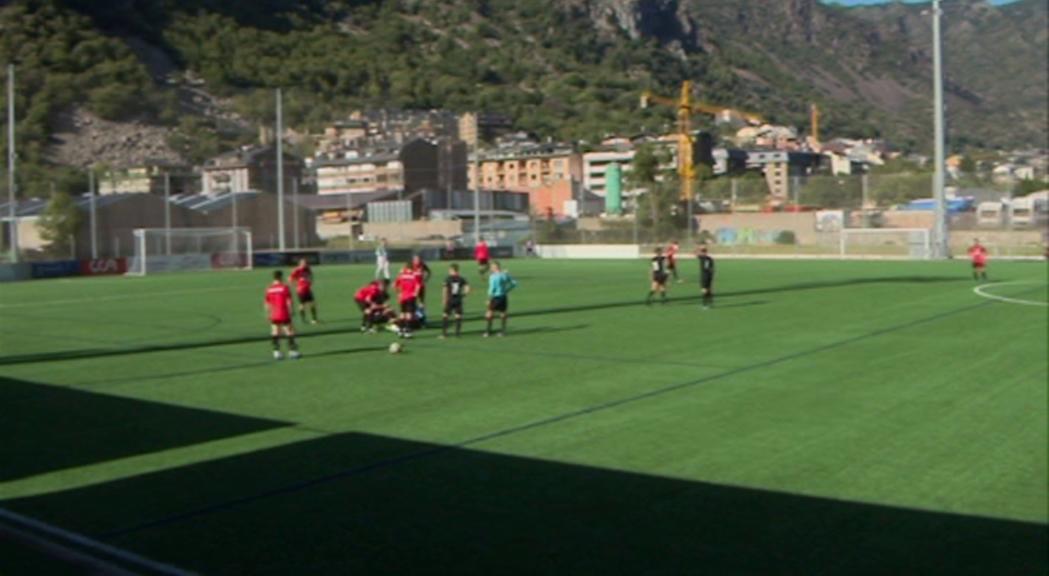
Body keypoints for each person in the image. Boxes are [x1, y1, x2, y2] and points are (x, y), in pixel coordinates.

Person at [264, 270, 300, 360]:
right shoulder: (284, 287)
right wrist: (291, 311)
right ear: (281, 277)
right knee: (289, 331)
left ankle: (276, 352)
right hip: (283, 313)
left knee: (275, 332)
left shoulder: (269, 288)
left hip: (274, 314)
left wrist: (268, 313)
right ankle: (292, 352)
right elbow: (288, 301)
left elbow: (267, 303)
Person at [484, 261, 517, 337]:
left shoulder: (493, 276)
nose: (491, 268)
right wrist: (506, 290)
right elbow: (514, 283)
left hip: (495, 297)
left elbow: (492, 289)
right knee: (503, 314)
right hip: (504, 297)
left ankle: (488, 332)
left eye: (492, 267)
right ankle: (503, 331)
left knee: (489, 314)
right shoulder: (504, 275)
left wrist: (489, 299)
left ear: (495, 267)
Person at [440, 263, 470, 338]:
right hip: (458, 300)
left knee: (445, 315)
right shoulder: (461, 278)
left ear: (453, 270)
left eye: (450, 270)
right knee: (458, 316)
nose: (449, 271)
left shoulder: (448, 279)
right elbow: (468, 288)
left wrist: (444, 299)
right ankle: (457, 334)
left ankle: (444, 334)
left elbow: (445, 290)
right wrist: (464, 295)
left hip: (450, 299)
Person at [393, 263, 421, 338]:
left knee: (402, 314)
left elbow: (394, 285)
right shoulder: (414, 275)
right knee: (409, 314)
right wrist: (416, 294)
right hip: (410, 297)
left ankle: (400, 330)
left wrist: (398, 293)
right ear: (412, 268)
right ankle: (407, 331)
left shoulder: (401, 275)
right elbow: (418, 285)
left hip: (402, 297)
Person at [289, 258, 318, 324]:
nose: (305, 264)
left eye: (305, 263)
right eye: (303, 263)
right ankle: (303, 320)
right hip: (301, 290)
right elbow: (290, 279)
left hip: (307, 289)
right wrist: (296, 285)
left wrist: (310, 281)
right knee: (302, 305)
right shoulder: (297, 270)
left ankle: (314, 319)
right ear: (300, 263)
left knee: (312, 304)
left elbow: (310, 276)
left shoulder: (308, 269)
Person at [411, 254, 433, 319]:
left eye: (418, 259)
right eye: (415, 259)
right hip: (413, 287)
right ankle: (416, 315)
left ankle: (422, 316)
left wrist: (425, 280)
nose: (417, 261)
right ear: (413, 260)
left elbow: (429, 272)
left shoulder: (422, 265)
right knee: (412, 302)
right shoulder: (410, 265)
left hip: (421, 286)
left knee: (421, 302)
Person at [697, 245, 715, 309]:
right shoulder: (710, 258)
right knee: (709, 289)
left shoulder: (702, 257)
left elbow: (695, 254)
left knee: (704, 290)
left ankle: (705, 304)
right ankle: (710, 301)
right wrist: (712, 276)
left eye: (702, 251)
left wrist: (699, 248)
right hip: (709, 275)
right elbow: (712, 269)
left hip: (704, 275)